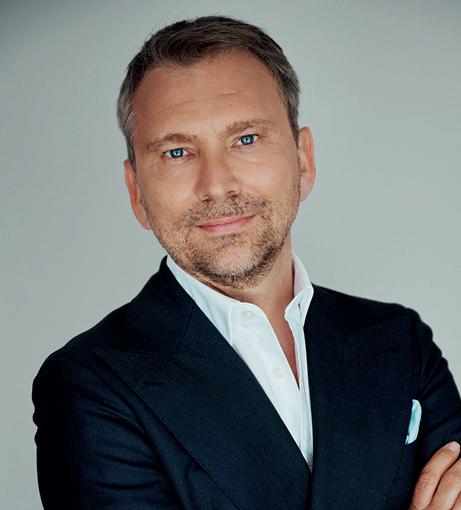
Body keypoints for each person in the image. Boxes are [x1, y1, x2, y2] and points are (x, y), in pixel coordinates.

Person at [32, 15, 461, 510]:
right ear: (137, 193)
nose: (217, 185)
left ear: (303, 160)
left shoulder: (400, 341)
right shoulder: (89, 386)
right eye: (177, 152)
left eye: (247, 139)